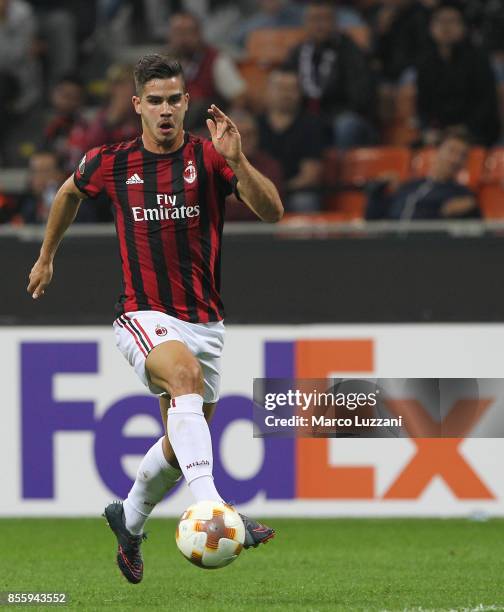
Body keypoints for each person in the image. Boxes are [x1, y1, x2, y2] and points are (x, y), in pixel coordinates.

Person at [27, 54, 282, 584]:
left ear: (187, 103)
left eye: (175, 100)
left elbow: (273, 211)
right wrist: (47, 256)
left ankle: (129, 518)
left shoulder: (209, 157)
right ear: (137, 104)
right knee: (183, 378)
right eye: (156, 101)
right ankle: (215, 506)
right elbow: (69, 192)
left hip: (205, 321)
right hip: (142, 313)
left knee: (179, 442)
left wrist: (238, 161)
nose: (166, 111)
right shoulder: (110, 161)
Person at [284, 0, 377, 148]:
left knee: (346, 125)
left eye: (324, 19)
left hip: (342, 116)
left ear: (335, 22)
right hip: (307, 117)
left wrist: (324, 117)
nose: (319, 25)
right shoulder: (298, 53)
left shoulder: (350, 50)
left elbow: (361, 98)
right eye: (314, 19)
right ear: (305, 23)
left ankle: (343, 170)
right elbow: (286, 83)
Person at [416, 1, 500, 146]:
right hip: (440, 133)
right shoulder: (426, 63)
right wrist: (433, 129)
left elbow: (486, 105)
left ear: (463, 27)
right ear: (431, 27)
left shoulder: (478, 60)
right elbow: (424, 106)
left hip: (475, 132)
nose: (445, 27)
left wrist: (464, 128)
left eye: (452, 21)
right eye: (440, 20)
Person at [365, 127, 480, 220]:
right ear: (437, 151)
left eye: (463, 155)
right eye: (452, 151)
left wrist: (469, 210)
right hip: (388, 243)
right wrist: (378, 191)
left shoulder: (462, 195)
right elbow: (372, 219)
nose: (455, 159)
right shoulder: (409, 186)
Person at [257, 68, 325, 212]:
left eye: (292, 89)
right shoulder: (254, 125)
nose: (286, 94)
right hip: (259, 191)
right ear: (267, 92)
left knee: (305, 202)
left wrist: (278, 190)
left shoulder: (311, 125)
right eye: (281, 88)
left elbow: (310, 175)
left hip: (295, 192)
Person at [166, 11, 246, 131]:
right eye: (177, 33)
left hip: (207, 130)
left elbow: (240, 98)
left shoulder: (216, 60)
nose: (182, 39)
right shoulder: (163, 63)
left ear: (199, 34)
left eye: (187, 32)